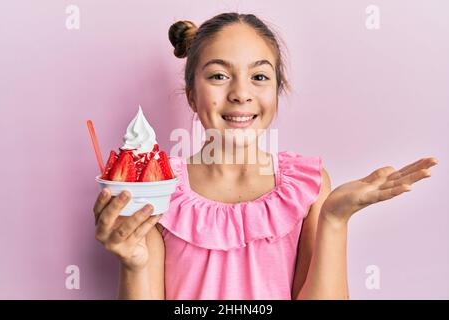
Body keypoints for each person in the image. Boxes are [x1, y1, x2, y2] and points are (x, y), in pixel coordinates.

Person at [92, 12, 438, 300]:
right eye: (218, 76)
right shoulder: (158, 186)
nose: (241, 93)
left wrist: (335, 218)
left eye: (259, 76)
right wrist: (134, 264)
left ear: (277, 90)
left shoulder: (308, 184)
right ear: (191, 96)